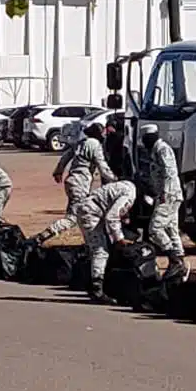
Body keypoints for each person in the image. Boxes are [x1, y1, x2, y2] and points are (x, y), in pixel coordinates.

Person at [33, 122, 116, 243]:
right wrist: (115, 180)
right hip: (80, 183)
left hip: (71, 180)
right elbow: (102, 167)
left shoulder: (80, 143)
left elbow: (66, 157)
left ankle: (89, 240)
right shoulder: (95, 144)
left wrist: (58, 171)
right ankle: (42, 237)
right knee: (73, 218)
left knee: (79, 213)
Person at [76, 179, 138, 302]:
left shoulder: (124, 185)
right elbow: (112, 216)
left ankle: (91, 282)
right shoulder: (129, 195)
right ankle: (97, 290)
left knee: (94, 249)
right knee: (100, 251)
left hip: (88, 209)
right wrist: (119, 239)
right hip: (92, 213)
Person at [138, 124, 187, 280]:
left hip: (169, 194)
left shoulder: (162, 149)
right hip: (166, 194)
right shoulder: (154, 151)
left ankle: (174, 259)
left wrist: (165, 193)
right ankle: (180, 263)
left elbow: (170, 173)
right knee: (172, 229)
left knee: (155, 229)